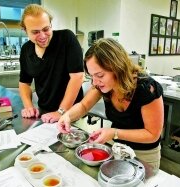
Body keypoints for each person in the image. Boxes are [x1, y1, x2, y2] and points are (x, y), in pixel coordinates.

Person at [57, 38, 164, 175]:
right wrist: (67, 116)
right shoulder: (101, 85)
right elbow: (84, 105)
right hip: (117, 148)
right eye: (92, 76)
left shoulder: (146, 88)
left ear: (117, 68)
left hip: (144, 156)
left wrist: (114, 133)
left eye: (100, 75)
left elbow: (152, 134)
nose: (95, 82)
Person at [19, 4, 84, 123]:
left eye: (46, 29)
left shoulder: (66, 39)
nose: (43, 36)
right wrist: (28, 106)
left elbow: (77, 77)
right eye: (35, 32)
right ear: (25, 30)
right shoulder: (26, 50)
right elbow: (24, 83)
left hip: (71, 111)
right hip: (45, 110)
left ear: (51, 24)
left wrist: (61, 111)